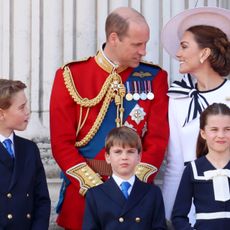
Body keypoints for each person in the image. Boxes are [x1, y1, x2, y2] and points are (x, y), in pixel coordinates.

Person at [50, 6, 169, 230]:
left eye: (145, 43)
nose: (143, 51)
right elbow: (61, 143)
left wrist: (132, 183)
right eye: (136, 44)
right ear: (114, 38)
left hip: (135, 198)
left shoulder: (155, 77)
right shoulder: (71, 76)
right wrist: (96, 189)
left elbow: (158, 139)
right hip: (84, 196)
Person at [161, 6, 230, 225]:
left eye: (184, 46)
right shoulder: (177, 98)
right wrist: (168, 216)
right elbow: (174, 165)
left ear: (205, 53)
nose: (178, 54)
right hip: (188, 210)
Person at [83, 126, 167, 230]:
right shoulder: (95, 195)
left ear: (139, 157)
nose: (124, 157)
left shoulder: (153, 193)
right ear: (107, 157)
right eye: (118, 152)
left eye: (130, 152)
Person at [0, 79, 51, 230]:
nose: (28, 111)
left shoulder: (30, 149)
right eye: (21, 107)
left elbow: (41, 200)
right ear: (2, 114)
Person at [172, 103, 230, 230]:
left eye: (227, 129)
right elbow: (178, 216)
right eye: (214, 129)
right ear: (203, 133)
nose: (221, 135)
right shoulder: (192, 169)